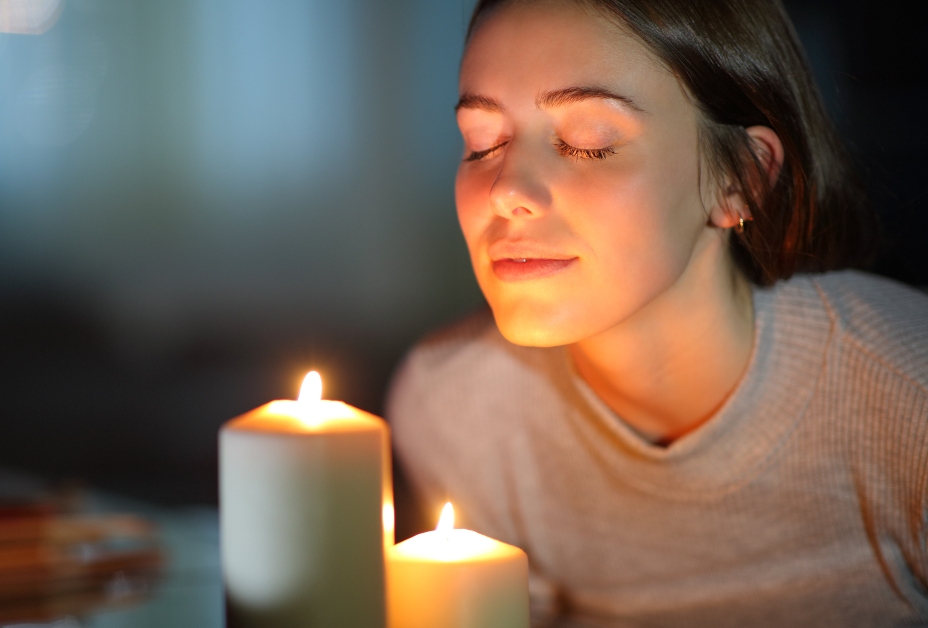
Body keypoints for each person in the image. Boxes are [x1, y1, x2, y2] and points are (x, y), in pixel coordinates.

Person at [386, 0, 928, 626]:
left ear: (743, 179)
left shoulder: (905, 399)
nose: (506, 191)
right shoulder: (456, 408)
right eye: (482, 145)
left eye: (589, 144)